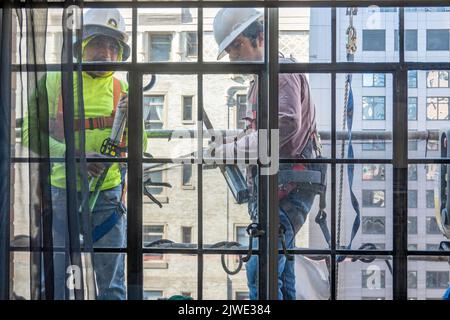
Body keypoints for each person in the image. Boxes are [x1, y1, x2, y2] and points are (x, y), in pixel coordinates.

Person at [22, 8, 147, 300]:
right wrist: (73, 155)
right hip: (62, 194)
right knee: (56, 284)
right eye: (98, 43)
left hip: (107, 196)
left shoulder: (123, 88)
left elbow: (139, 147)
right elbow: (30, 133)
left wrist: (133, 118)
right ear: (81, 46)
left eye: (112, 46)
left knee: (112, 287)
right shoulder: (55, 82)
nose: (105, 52)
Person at [212, 8, 319, 300]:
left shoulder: (280, 74)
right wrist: (233, 143)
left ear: (260, 37)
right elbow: (263, 132)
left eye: (237, 48)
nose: (233, 58)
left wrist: (228, 151)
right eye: (230, 51)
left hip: (287, 187)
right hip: (281, 187)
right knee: (281, 273)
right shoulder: (262, 78)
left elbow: (283, 126)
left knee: (263, 270)